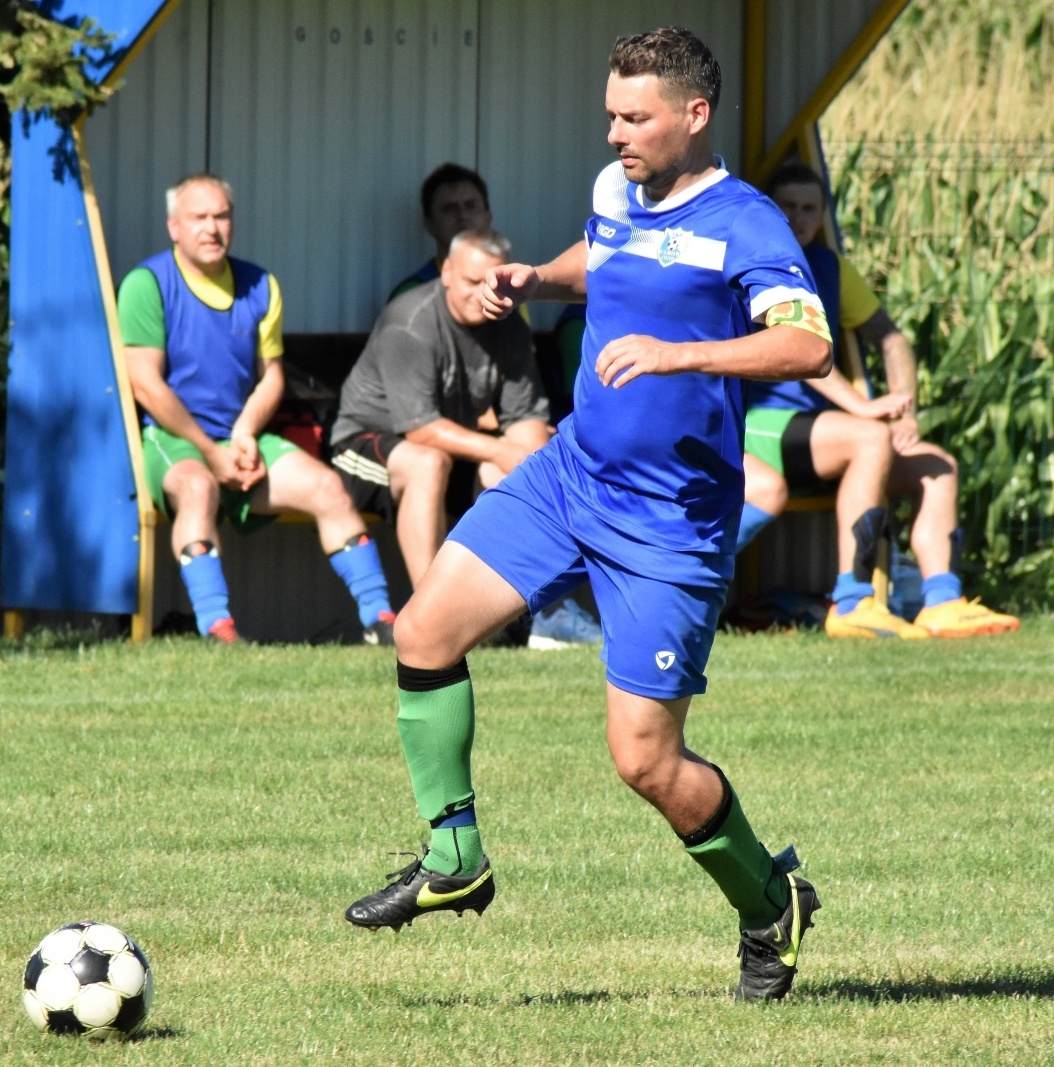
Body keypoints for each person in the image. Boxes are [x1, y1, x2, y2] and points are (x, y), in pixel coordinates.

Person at [344, 28, 834, 1002]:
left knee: (645, 759)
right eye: (611, 114)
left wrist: (679, 354)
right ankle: (455, 854)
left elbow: (807, 345)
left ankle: (768, 899)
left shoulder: (746, 224)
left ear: (694, 115)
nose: (615, 133)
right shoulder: (619, 189)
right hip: (571, 477)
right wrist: (536, 278)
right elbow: (606, 256)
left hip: (670, 523)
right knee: (426, 628)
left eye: (635, 117)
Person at [737, 163, 1019, 639]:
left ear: (822, 216)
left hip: (823, 430)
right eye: (788, 207)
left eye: (810, 208)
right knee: (869, 438)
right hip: (757, 421)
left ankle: (942, 603)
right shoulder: (757, 262)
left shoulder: (829, 267)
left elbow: (891, 338)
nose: (799, 218)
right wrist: (864, 407)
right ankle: (852, 602)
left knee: (937, 466)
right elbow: (799, 349)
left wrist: (905, 410)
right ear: (770, 210)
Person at [119, 173, 398, 645]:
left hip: (241, 442)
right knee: (197, 488)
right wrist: (211, 451)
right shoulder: (146, 285)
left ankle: (381, 621)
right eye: (198, 217)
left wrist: (245, 432)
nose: (211, 228)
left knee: (328, 487)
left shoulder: (261, 285)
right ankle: (217, 629)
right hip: (173, 441)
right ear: (173, 226)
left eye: (221, 216)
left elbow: (272, 375)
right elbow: (145, 385)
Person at [330, 230, 552, 591]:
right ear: (447, 272)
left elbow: (525, 419)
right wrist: (503, 450)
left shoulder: (511, 327)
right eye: (472, 281)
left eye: (493, 284)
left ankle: (518, 602)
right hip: (362, 445)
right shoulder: (411, 322)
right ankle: (431, 606)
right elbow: (421, 429)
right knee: (429, 464)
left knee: (509, 471)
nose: (482, 293)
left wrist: (527, 462)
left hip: (451, 447)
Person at [388, 163, 492, 302]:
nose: (463, 215)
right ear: (429, 224)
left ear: (488, 217)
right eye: (449, 209)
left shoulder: (512, 285)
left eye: (471, 206)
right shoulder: (411, 293)